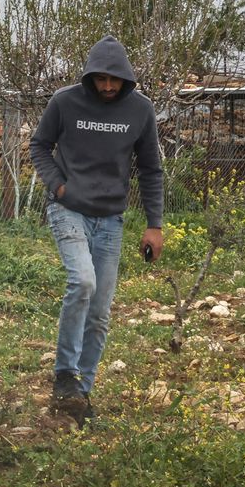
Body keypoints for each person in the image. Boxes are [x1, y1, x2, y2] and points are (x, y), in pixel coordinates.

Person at [27, 37, 164, 421]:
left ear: (126, 79)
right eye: (100, 79)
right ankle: (64, 375)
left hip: (111, 219)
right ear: (90, 77)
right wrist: (58, 185)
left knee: (101, 311)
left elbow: (152, 169)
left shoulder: (141, 110)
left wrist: (155, 224)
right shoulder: (64, 102)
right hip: (68, 209)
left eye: (114, 80)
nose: (107, 86)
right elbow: (39, 145)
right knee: (83, 282)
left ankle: (78, 397)